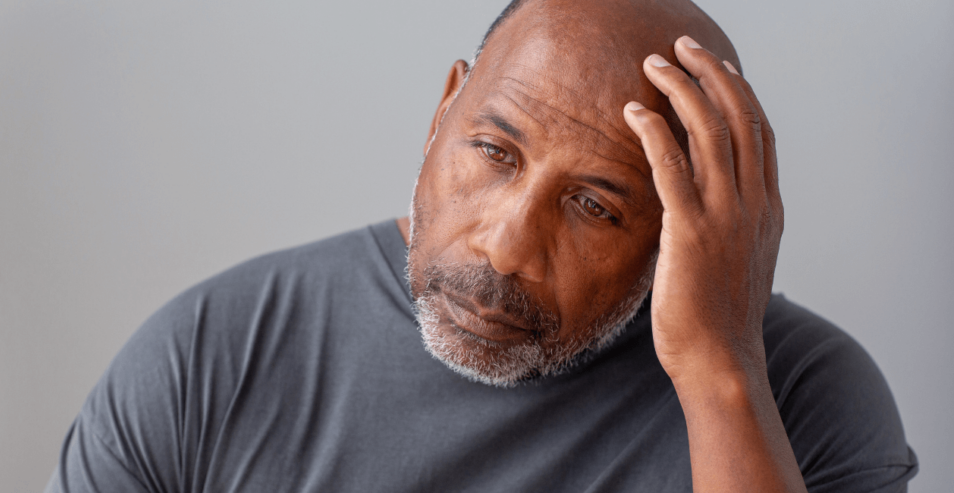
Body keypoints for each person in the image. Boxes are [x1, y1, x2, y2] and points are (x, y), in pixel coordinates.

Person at [45, 0, 917, 491]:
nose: (504, 247)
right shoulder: (215, 355)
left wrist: (722, 370)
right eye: (494, 154)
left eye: (594, 205)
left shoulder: (801, 401)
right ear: (441, 116)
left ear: (689, 228)